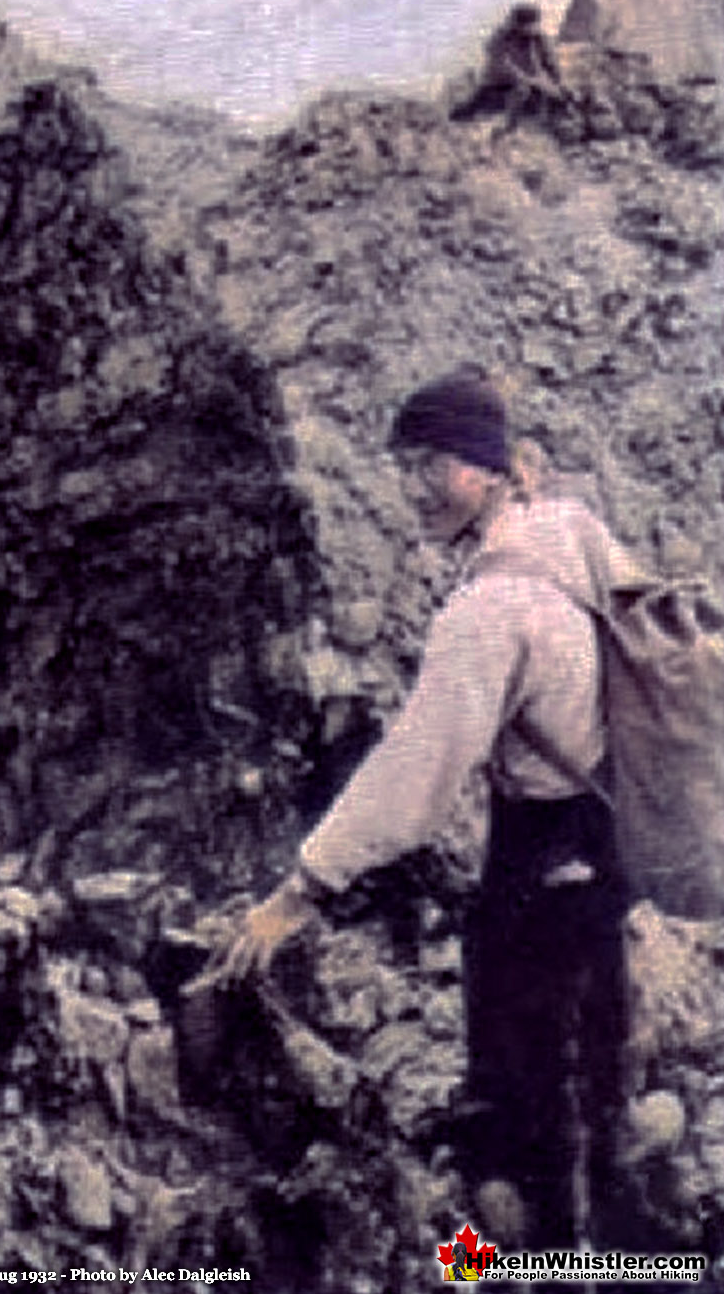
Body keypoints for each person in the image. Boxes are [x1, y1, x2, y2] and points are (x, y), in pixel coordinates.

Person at [207, 368, 644, 1249]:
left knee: (534, 1062)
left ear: (484, 469)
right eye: (404, 467)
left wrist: (297, 894)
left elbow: (414, 777)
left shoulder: (487, 612)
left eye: (433, 467)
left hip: (546, 840)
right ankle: (620, 1219)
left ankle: (550, 1244)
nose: (411, 490)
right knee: (589, 1043)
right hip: (609, 821)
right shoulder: (567, 529)